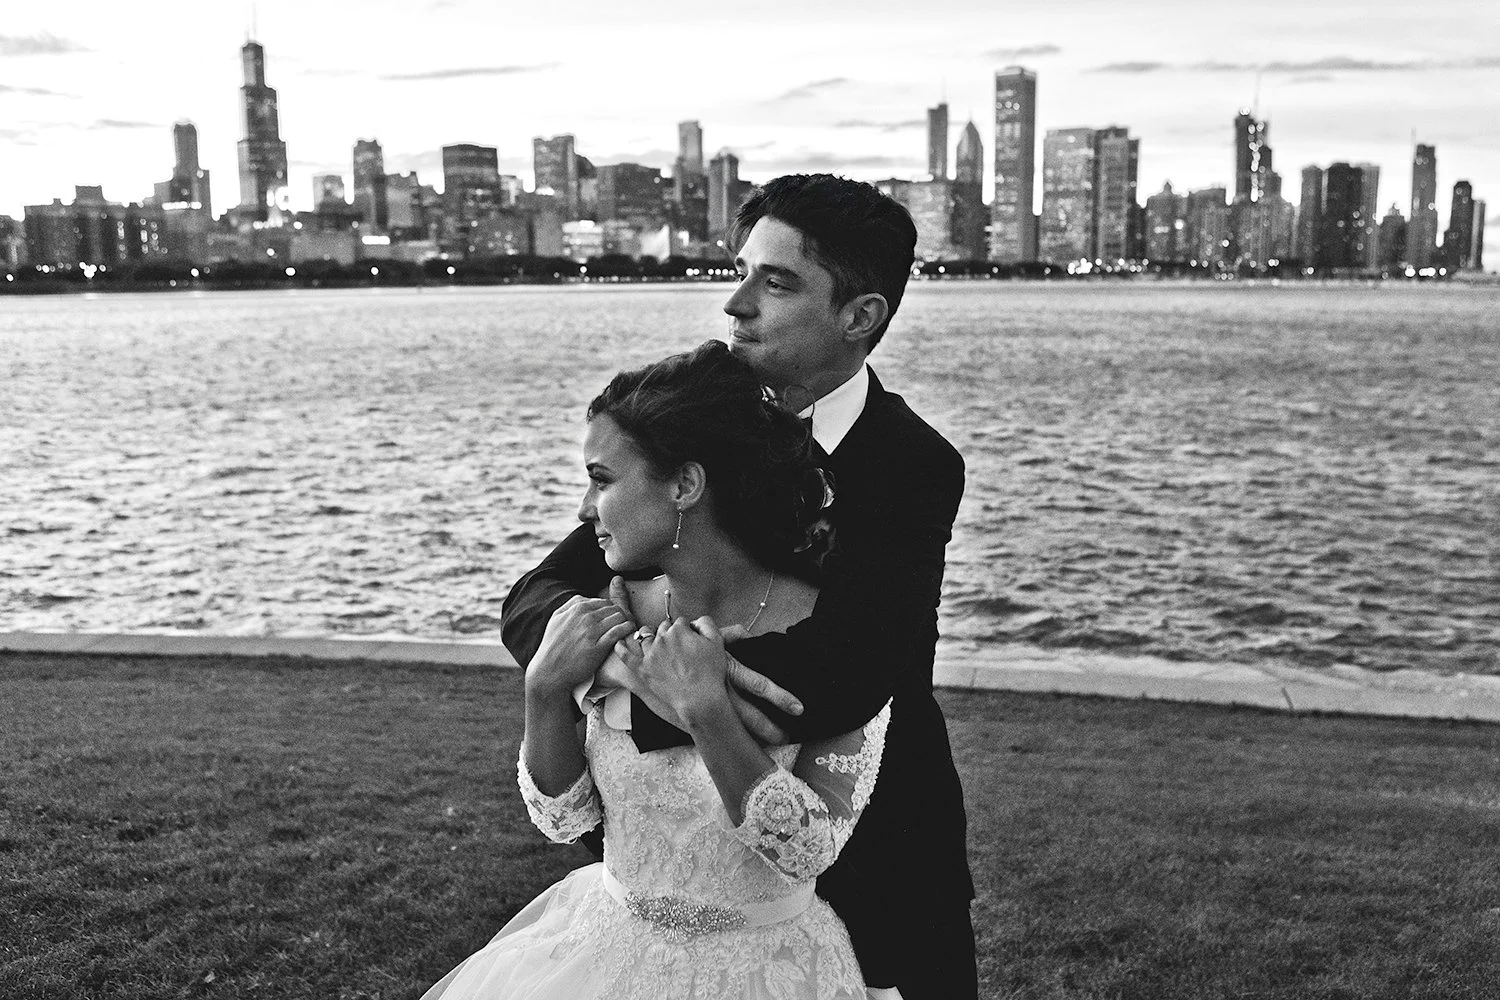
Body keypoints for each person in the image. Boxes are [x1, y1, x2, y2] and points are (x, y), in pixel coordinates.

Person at [502, 174, 976, 999]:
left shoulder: (915, 467)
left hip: (878, 854)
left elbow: (849, 671)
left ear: (859, 316)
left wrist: (679, 685)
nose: (736, 304)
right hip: (672, 894)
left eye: (777, 281)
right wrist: (619, 664)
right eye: (742, 271)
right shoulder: (701, 424)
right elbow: (537, 599)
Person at [423, 341, 888, 999]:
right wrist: (546, 686)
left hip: (767, 973)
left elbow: (807, 851)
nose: (586, 508)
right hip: (601, 952)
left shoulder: (835, 632)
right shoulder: (611, 615)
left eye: (602, 478)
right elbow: (566, 817)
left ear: (684, 484)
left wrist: (707, 714)